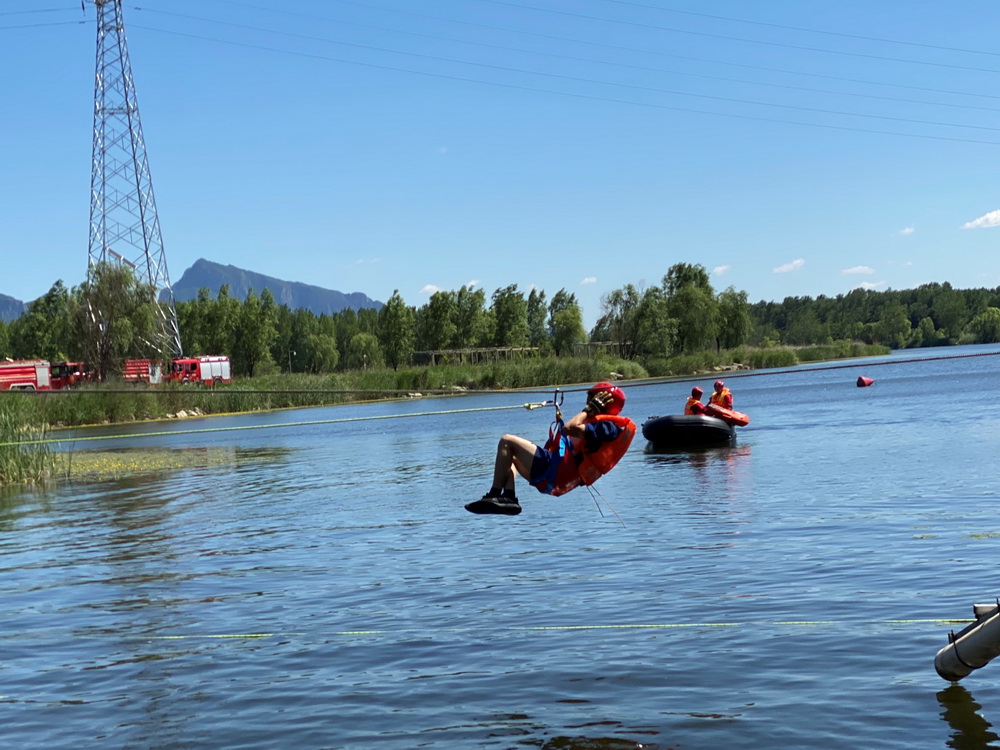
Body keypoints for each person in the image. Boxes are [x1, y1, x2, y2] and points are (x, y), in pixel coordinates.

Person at [466, 382, 635, 516]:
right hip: (557, 474)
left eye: (591, 398)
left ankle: (494, 493)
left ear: (603, 402)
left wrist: (588, 410)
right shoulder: (602, 424)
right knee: (506, 458)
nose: (587, 402)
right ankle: (508, 497)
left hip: (555, 470)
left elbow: (569, 428)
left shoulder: (608, 427)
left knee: (506, 441)